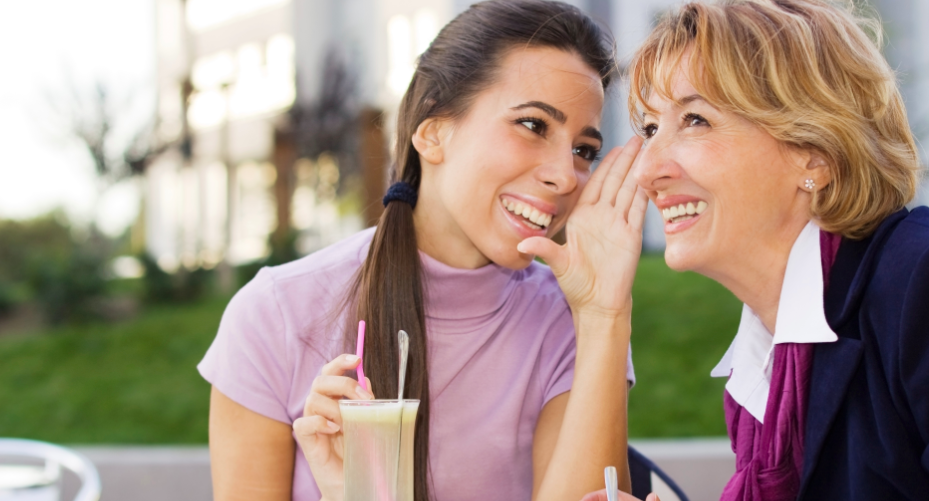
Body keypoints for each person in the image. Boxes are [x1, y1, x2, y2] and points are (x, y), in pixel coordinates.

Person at [585, 0, 929, 500]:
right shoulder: (764, 373)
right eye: (652, 128)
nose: (647, 169)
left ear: (815, 149)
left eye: (696, 120)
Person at [199, 1, 650, 500]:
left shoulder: (572, 320)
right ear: (433, 132)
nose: (566, 175)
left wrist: (607, 316)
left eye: (583, 150)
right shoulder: (276, 316)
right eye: (533, 125)